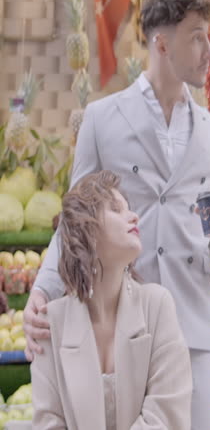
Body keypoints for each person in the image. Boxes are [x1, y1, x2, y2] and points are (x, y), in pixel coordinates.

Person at [24, 0, 210, 430]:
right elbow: (74, 217)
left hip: (194, 330)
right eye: (197, 38)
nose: (209, 52)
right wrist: (42, 292)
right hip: (127, 329)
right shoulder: (104, 119)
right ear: (161, 43)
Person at [30, 170, 192, 430]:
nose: (134, 216)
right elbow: (47, 422)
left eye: (128, 208)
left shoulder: (157, 306)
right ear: (86, 231)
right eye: (116, 209)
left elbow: (166, 417)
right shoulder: (50, 325)